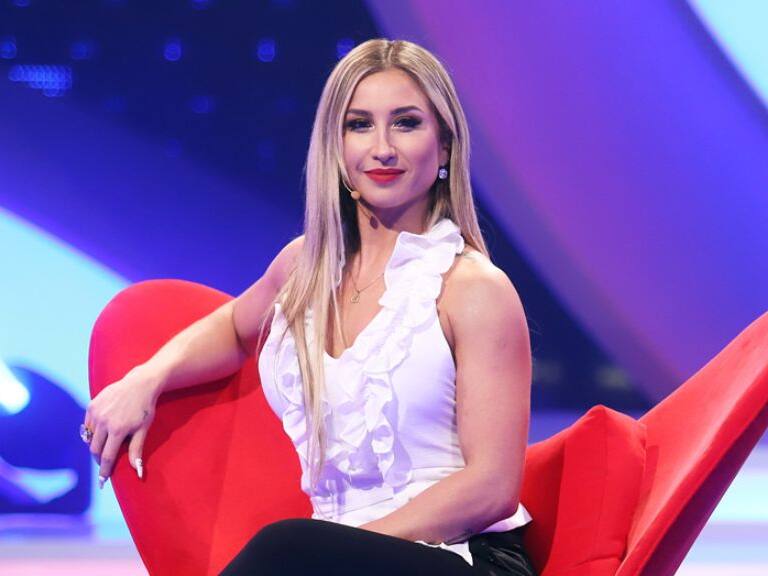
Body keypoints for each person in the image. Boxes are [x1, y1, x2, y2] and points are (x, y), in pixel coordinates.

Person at [82, 38, 538, 575]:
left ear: (444, 148)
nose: (382, 148)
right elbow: (233, 329)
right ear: (335, 147)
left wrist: (339, 550)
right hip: (331, 557)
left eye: (406, 123)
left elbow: (492, 488)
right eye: (359, 125)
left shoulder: (474, 288)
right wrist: (147, 378)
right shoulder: (304, 266)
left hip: (459, 555)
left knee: (286, 546)